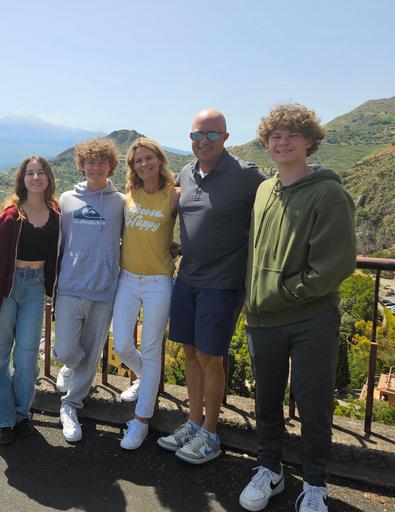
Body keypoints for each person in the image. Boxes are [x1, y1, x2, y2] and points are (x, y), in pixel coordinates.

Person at [238, 104, 356, 512]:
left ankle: (316, 484)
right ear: (266, 143)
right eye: (275, 136)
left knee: (313, 405)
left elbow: (335, 265)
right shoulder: (264, 190)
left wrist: (282, 293)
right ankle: (269, 469)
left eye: (291, 136)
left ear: (309, 141)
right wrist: (257, 299)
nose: (282, 143)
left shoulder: (329, 193)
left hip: (310, 319)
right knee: (267, 402)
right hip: (261, 320)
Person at [158, 110, 266, 464]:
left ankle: (211, 433)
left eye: (212, 135)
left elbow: (273, 208)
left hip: (222, 283)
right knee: (189, 351)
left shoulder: (246, 175)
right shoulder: (186, 174)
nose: (203, 141)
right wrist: (182, 246)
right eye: (197, 135)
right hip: (187, 277)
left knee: (210, 356)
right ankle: (192, 422)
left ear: (226, 137)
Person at [0, 155, 60, 445]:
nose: (36, 177)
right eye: (30, 173)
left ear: (48, 178)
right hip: (7, 289)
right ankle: (5, 420)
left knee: (27, 358)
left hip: (36, 287)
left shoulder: (56, 214)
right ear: (22, 179)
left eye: (41, 172)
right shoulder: (9, 218)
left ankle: (22, 413)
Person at [53, 137, 125, 443]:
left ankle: (70, 406)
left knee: (92, 354)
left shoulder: (121, 202)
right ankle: (69, 365)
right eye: (90, 162)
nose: (95, 168)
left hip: (104, 288)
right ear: (82, 165)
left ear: (111, 166)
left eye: (101, 162)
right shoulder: (67, 200)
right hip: (69, 286)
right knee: (67, 349)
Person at [112, 138, 179, 450]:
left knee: (151, 350)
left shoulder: (174, 194)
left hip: (158, 283)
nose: (143, 164)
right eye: (138, 160)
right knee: (123, 344)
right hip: (127, 278)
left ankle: (140, 421)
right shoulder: (130, 191)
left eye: (148, 158)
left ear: (159, 159)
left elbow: (195, 226)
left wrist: (180, 248)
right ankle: (144, 378)